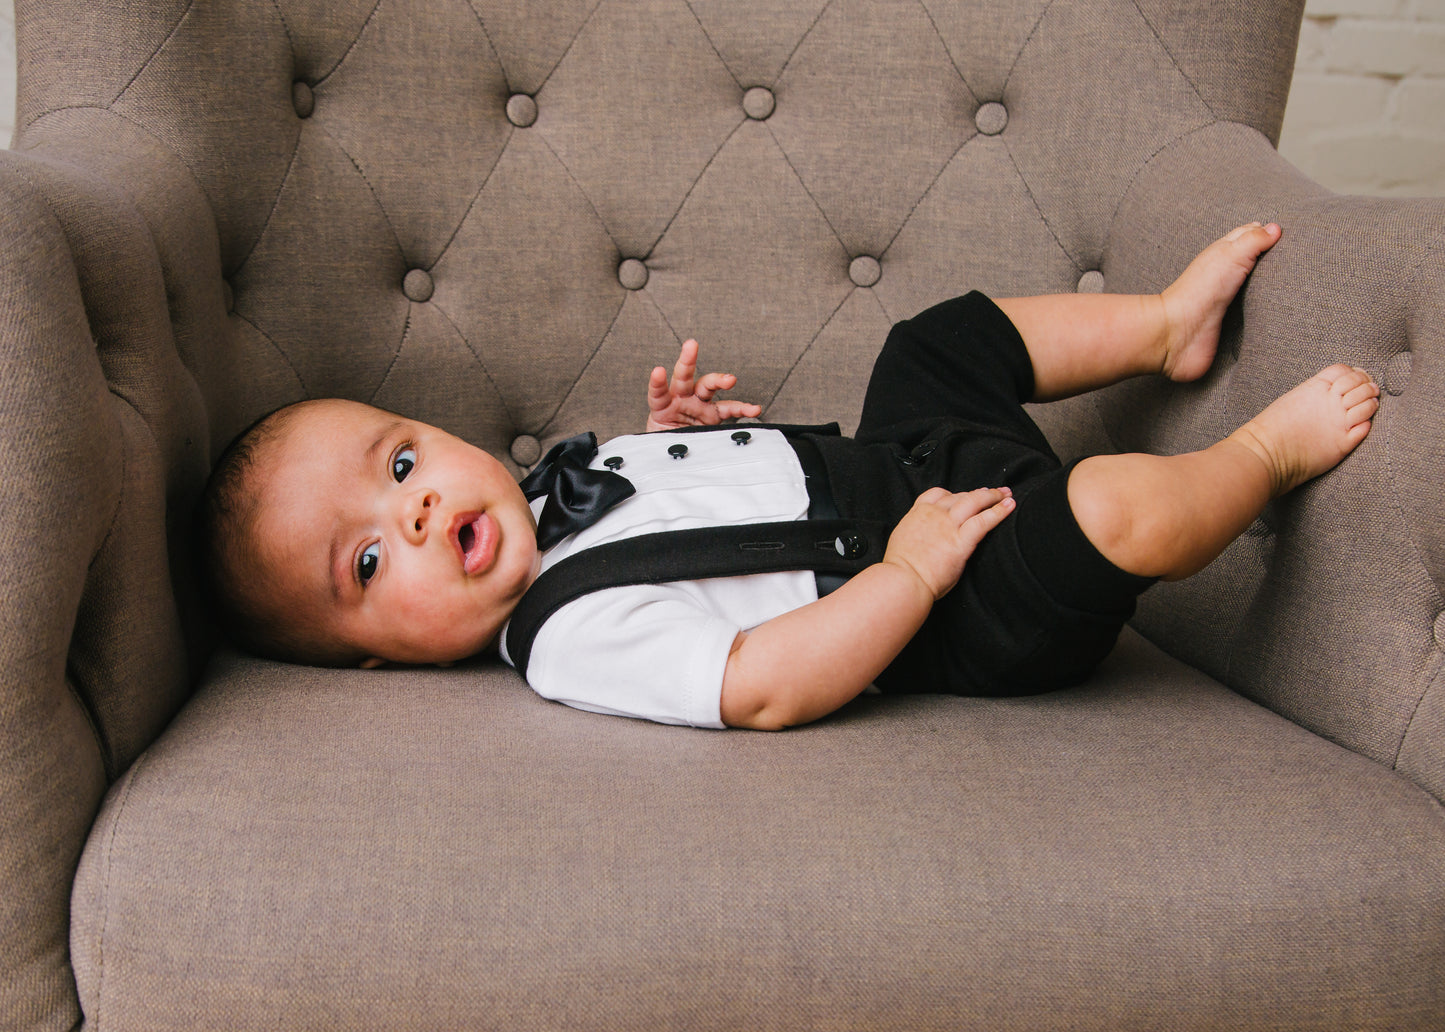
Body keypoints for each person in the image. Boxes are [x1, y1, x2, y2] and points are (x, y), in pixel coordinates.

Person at [197, 223, 1380, 730]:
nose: (409, 509)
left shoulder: (567, 487)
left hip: (902, 461)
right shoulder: (564, 644)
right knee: (1110, 504)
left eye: (400, 461)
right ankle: (1257, 457)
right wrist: (913, 578)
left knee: (927, 343)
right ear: (373, 659)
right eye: (365, 560)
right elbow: (758, 681)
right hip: (962, 602)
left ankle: (1165, 325)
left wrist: (663, 438)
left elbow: (680, 527)